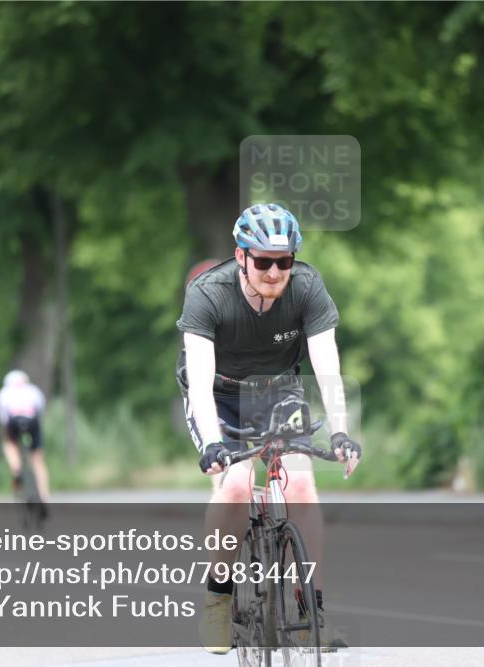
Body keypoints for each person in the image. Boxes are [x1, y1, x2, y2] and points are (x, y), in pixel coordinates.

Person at [176, 203, 362, 654]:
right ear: (241, 257)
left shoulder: (307, 287)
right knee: (237, 484)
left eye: (284, 261)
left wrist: (340, 430)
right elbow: (199, 379)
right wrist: (214, 445)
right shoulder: (208, 292)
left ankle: (309, 606)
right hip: (220, 396)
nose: (275, 272)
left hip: (279, 391)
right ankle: (219, 599)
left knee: (300, 485)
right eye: (263, 261)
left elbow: (327, 365)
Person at [0, 370, 50, 501]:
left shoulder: (4, 393)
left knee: (10, 444)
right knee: (37, 459)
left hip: (14, 420)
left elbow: (4, 417)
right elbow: (40, 407)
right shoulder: (32, 389)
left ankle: (17, 469)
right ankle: (44, 494)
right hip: (32, 420)